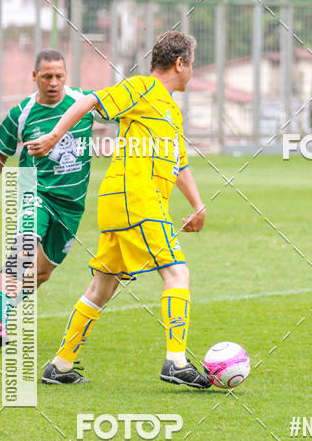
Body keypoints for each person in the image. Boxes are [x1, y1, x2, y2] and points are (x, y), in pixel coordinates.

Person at [26, 30, 211, 390]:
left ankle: (60, 364)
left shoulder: (170, 110)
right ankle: (176, 362)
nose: (192, 71)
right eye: (192, 64)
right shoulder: (143, 88)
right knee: (177, 273)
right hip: (136, 199)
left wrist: (198, 204)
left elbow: (179, 164)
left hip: (125, 202)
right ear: (180, 64)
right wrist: (54, 137)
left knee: (102, 287)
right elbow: (90, 101)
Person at [0, 50, 97, 347]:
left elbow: (123, 111)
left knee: (41, 272)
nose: (53, 82)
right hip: (33, 190)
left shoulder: (83, 102)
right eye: (47, 76)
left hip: (71, 204)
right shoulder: (22, 113)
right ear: (34, 76)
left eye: (59, 76)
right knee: (24, 246)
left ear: (66, 76)